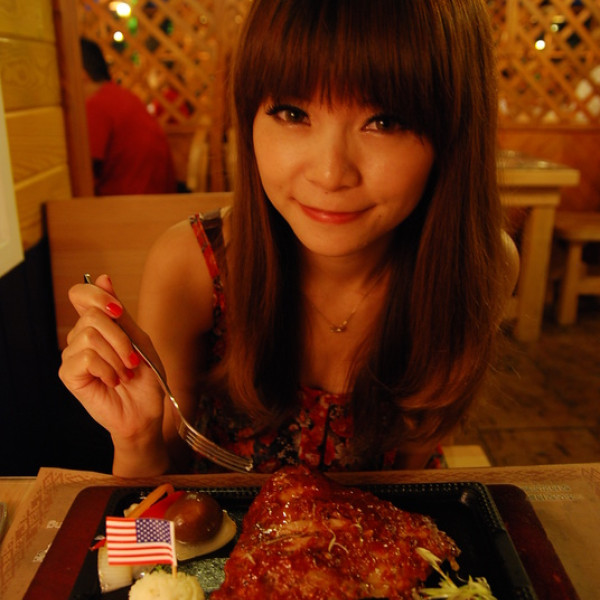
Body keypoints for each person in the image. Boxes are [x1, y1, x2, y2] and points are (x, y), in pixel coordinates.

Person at [61, 0, 519, 477]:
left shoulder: (478, 266)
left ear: (454, 133)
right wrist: (135, 437)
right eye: (293, 112)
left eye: (384, 121)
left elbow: (414, 472)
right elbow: (165, 481)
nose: (330, 174)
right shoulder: (192, 266)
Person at [80, 37, 177, 195]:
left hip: (131, 202)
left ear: (81, 74)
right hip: (156, 196)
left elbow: (82, 174)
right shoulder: (121, 96)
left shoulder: (97, 104)